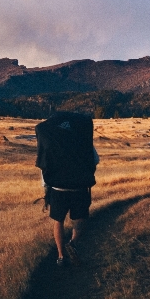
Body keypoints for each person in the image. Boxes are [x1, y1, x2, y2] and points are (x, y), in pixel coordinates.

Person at [35, 111, 99, 267]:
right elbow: (95, 160)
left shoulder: (50, 139)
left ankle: (61, 256)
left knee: (58, 221)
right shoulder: (82, 139)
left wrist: (46, 186)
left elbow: (44, 166)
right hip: (79, 187)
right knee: (80, 219)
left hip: (57, 188)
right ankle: (73, 242)